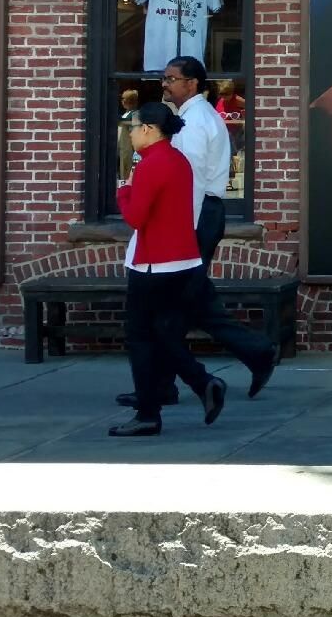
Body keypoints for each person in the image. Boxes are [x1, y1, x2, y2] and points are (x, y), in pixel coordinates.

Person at [115, 57, 276, 411]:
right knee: (192, 301)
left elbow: (189, 183)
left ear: (192, 83)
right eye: (164, 78)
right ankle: (165, 383)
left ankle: (165, 385)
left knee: (176, 305)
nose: (165, 84)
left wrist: (176, 234)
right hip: (197, 216)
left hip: (195, 216)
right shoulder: (196, 118)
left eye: (171, 78)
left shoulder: (193, 122)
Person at [110, 103, 225, 437]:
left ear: (148, 129)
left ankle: (149, 412)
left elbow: (135, 217)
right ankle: (203, 382)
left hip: (153, 264)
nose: (129, 133)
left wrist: (123, 188)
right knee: (161, 333)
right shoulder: (178, 160)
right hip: (184, 260)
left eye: (132, 127)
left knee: (140, 337)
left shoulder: (150, 165)